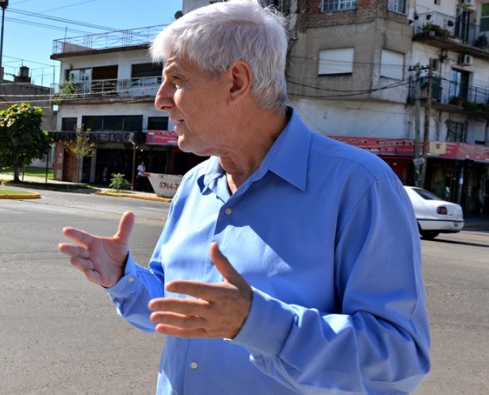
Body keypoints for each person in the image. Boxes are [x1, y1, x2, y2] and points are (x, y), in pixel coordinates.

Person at [57, 1, 430, 393]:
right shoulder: (196, 184)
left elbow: (398, 358)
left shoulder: (359, 186)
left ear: (237, 81)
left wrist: (259, 324)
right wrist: (123, 278)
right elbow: (176, 305)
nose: (161, 99)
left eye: (177, 80)